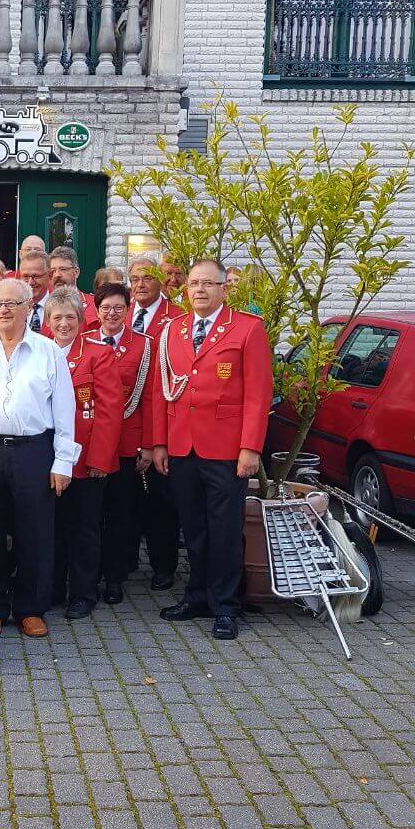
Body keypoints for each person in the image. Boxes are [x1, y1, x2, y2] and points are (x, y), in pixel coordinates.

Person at [0, 277, 78, 639]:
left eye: (12, 303)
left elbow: (65, 412)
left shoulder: (48, 352)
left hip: (33, 451)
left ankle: (30, 609)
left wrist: (62, 462)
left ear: (28, 308)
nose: (3, 310)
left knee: (34, 532)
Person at [153, 259, 273, 640]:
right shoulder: (174, 330)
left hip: (225, 448)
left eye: (208, 283)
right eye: (193, 284)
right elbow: (161, 390)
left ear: (224, 288)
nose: (200, 290)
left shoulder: (247, 329)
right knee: (194, 528)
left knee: (223, 530)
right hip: (182, 444)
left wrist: (250, 448)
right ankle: (197, 596)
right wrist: (159, 442)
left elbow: (258, 394)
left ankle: (225, 605)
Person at [46, 287, 123, 620]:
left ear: (81, 320)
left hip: (85, 461)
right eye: (57, 317)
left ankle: (83, 593)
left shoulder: (98, 354)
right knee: (51, 529)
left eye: (70, 317)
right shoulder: (40, 352)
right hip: (47, 460)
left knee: (84, 529)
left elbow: (109, 411)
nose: (64, 324)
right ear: (47, 321)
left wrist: (100, 460)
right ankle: (51, 589)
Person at [87, 283, 154, 605]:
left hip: (127, 443)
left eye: (118, 308)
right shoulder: (84, 342)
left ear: (128, 310)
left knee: (120, 514)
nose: (111, 314)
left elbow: (151, 398)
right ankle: (90, 572)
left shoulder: (144, 346)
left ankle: (114, 578)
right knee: (90, 514)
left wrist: (148, 444)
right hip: (90, 441)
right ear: (96, 310)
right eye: (105, 308)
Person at [125, 254, 184, 590]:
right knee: (127, 501)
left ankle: (164, 566)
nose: (140, 284)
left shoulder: (175, 319)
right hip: (124, 422)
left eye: (147, 278)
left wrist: (153, 439)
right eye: (135, 278)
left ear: (160, 280)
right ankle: (128, 559)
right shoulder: (123, 315)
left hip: (159, 421)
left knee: (162, 503)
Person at [48, 245, 99, 329]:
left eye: (63, 269)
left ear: (76, 272)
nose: (57, 275)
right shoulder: (43, 305)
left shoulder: (94, 304)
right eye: (53, 271)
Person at [19, 250, 52, 333]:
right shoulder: (11, 307)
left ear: (50, 276)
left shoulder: (62, 306)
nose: (30, 282)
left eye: (36, 276)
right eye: (25, 276)